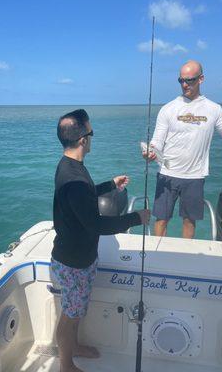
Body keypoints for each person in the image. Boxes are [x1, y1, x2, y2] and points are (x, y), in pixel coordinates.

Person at [51, 109, 150, 372]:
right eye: (91, 133)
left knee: (76, 312)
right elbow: (96, 224)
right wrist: (136, 218)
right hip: (73, 263)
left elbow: (84, 197)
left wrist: (109, 185)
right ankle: (65, 364)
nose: (92, 138)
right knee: (70, 317)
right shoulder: (72, 178)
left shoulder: (71, 168)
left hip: (80, 258)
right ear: (83, 139)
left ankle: (75, 347)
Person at [143, 60, 222, 239]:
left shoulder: (214, 109)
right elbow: (156, 142)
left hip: (195, 176)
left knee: (189, 221)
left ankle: (186, 257)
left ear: (201, 79)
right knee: (161, 219)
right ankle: (158, 255)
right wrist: (150, 153)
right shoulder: (168, 109)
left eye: (190, 80)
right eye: (181, 80)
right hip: (167, 174)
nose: (185, 85)